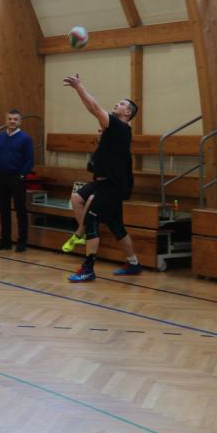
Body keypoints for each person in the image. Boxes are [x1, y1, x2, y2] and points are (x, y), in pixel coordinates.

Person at [62, 74, 142, 281]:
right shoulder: (116, 130)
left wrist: (79, 87)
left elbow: (94, 108)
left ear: (128, 113)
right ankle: (134, 264)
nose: (117, 104)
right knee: (83, 202)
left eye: (122, 104)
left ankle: (88, 268)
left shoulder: (118, 125)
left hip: (112, 185)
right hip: (103, 182)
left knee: (92, 221)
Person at [0, 109, 34, 253]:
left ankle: (22, 242)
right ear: (6, 120)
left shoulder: (25, 138)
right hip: (1, 179)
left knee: (20, 211)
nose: (12, 121)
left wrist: (22, 176)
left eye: (15, 119)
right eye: (10, 119)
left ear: (20, 121)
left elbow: (30, 160)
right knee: (4, 211)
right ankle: (5, 241)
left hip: (17, 179)